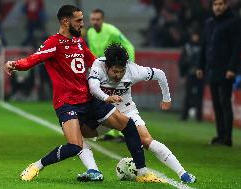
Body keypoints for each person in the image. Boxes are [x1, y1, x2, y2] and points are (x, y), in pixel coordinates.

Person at [5, 5, 164, 183]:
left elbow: (95, 62)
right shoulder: (54, 43)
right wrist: (15, 64)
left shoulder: (79, 42)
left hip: (89, 99)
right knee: (74, 146)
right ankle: (37, 165)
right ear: (66, 22)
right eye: (79, 20)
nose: (83, 24)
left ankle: (142, 173)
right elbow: (33, 59)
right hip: (67, 103)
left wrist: (116, 70)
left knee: (129, 126)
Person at [77, 44, 196, 183]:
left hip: (126, 110)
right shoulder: (98, 66)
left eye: (121, 71)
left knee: (146, 140)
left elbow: (160, 74)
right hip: (103, 112)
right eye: (115, 71)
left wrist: (166, 98)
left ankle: (183, 174)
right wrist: (106, 98)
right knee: (76, 135)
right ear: (107, 66)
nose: (118, 75)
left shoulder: (133, 70)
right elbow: (93, 87)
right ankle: (93, 170)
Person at [196, 0, 241, 147]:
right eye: (215, 4)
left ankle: (227, 138)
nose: (218, 7)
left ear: (226, 5)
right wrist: (200, 66)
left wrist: (232, 69)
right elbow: (204, 46)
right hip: (212, 69)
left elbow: (236, 48)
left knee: (225, 103)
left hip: (225, 70)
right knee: (217, 104)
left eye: (221, 4)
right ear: (212, 6)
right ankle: (220, 135)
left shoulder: (233, 22)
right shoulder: (209, 23)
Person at [87, 8, 135, 140]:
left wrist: (126, 67)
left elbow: (129, 46)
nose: (95, 22)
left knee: (122, 99)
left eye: (98, 19)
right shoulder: (90, 32)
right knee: (107, 99)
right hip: (104, 71)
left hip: (117, 70)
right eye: (93, 19)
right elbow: (93, 53)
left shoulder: (112, 31)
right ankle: (112, 131)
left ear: (102, 20)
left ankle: (123, 130)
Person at [178, 31, 204, 121]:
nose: (195, 37)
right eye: (194, 35)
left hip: (200, 74)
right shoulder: (188, 47)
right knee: (188, 95)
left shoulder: (202, 46)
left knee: (199, 96)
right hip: (190, 73)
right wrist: (183, 73)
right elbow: (182, 61)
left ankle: (199, 117)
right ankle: (184, 115)